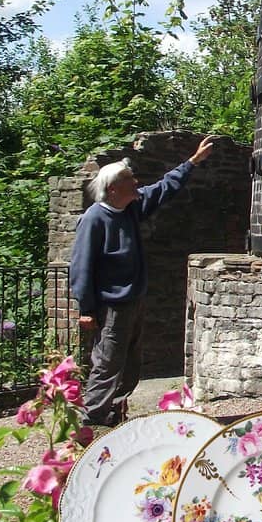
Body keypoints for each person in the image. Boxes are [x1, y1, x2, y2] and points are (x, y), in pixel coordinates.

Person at [70, 136, 213, 427]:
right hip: (111, 305)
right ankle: (92, 421)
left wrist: (192, 162)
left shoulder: (131, 209)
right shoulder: (95, 219)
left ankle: (114, 416)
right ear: (113, 189)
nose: (136, 181)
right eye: (129, 179)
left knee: (130, 366)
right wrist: (85, 308)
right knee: (107, 363)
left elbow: (163, 188)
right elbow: (81, 266)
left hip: (134, 301)